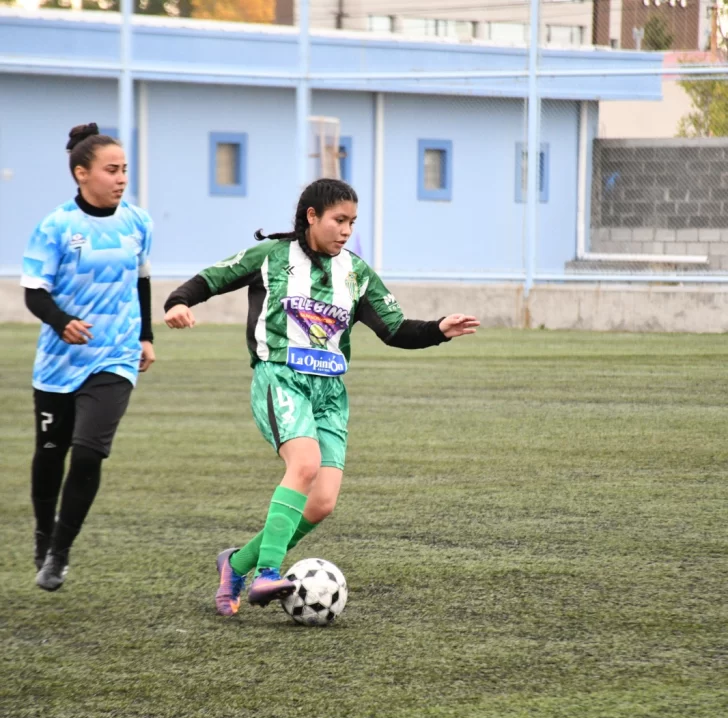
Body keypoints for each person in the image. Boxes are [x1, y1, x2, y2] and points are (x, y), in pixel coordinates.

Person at [163, 178, 479, 616]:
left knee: (323, 501)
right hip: (281, 378)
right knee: (305, 464)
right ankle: (268, 573)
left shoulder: (355, 272)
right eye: (338, 220)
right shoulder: (271, 256)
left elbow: (395, 330)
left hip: (330, 393)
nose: (346, 230)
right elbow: (212, 278)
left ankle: (235, 565)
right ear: (312, 217)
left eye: (352, 222)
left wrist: (438, 329)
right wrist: (178, 302)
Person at [22, 123, 156, 591]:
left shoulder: (138, 222)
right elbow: (33, 294)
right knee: (50, 454)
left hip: (114, 357)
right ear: (82, 173)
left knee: (87, 453)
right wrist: (62, 322)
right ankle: (43, 536)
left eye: (124, 170)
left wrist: (145, 336)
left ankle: (59, 552)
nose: (121, 178)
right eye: (111, 170)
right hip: (59, 362)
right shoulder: (55, 226)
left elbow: (141, 281)